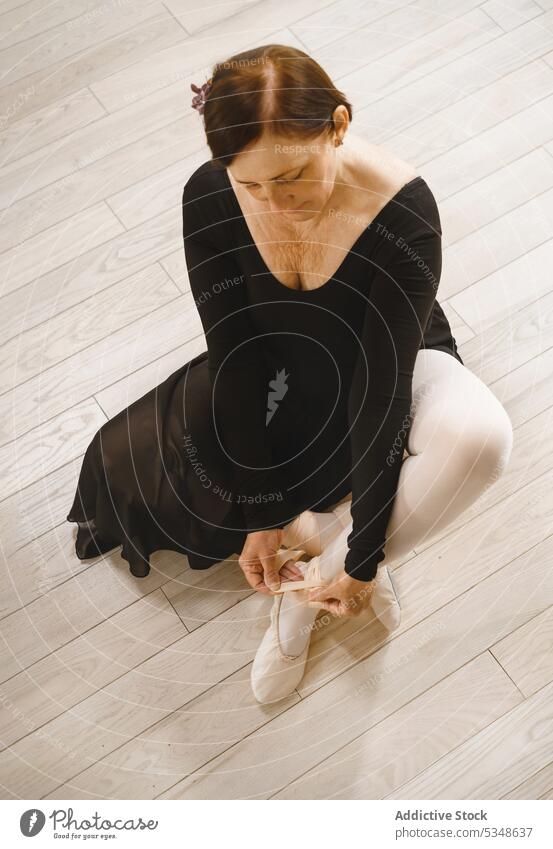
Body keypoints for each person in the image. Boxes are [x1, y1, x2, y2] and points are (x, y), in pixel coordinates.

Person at [66, 44, 514, 703]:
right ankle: (319, 530)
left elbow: (380, 393)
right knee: (125, 469)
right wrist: (264, 512)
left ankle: (308, 593)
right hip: (280, 365)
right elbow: (235, 355)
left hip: (383, 360)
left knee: (478, 437)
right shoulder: (211, 196)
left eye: (293, 176)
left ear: (337, 124)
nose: (276, 205)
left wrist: (361, 563)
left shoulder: (405, 217)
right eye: (252, 186)